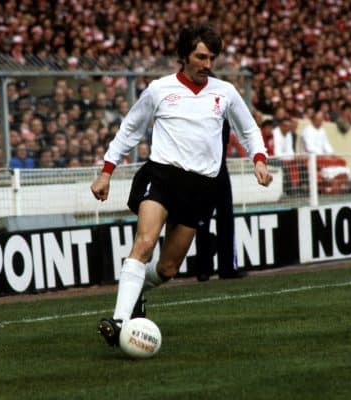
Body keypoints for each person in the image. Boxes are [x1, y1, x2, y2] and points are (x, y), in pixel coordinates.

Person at [90, 23, 273, 348]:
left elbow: (249, 130)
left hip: (201, 187)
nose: (207, 63)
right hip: (161, 176)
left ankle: (137, 293)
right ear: (184, 56)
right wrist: (106, 171)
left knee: (168, 268)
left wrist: (258, 158)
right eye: (201, 56)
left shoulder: (225, 92)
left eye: (211, 57)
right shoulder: (159, 89)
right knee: (144, 243)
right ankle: (118, 323)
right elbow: (130, 129)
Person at [194, 119, 244, 282]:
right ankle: (208, 269)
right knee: (204, 223)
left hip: (213, 172)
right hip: (206, 173)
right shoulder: (209, 117)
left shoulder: (219, 118)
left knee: (222, 221)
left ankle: (222, 268)